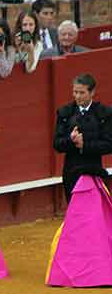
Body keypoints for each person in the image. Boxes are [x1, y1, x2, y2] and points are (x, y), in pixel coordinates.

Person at [53, 74, 112, 202]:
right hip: (71, 173)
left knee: (94, 214)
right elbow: (57, 144)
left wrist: (84, 145)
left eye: (82, 93)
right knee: (76, 213)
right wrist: (71, 140)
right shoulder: (65, 113)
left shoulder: (103, 113)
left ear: (92, 92)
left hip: (95, 171)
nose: (77, 96)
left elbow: (109, 144)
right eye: (75, 92)